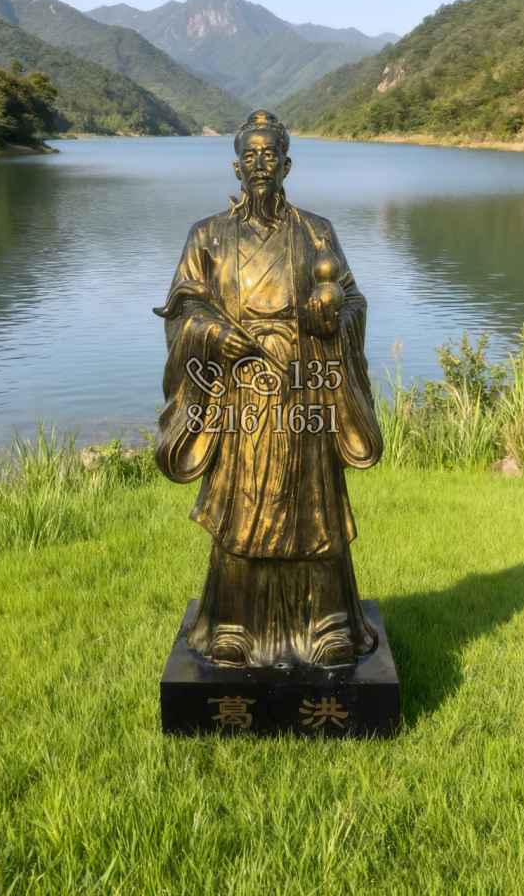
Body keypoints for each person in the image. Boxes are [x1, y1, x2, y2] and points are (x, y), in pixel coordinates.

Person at [155, 110, 383, 667]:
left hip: (305, 388)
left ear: (287, 164)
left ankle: (326, 622)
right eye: (250, 156)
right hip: (241, 397)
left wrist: (334, 316)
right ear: (237, 167)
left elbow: (352, 298)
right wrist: (212, 335)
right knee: (243, 510)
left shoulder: (317, 231)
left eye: (270, 155)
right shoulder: (207, 236)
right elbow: (181, 309)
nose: (260, 164)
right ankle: (233, 623)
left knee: (313, 510)